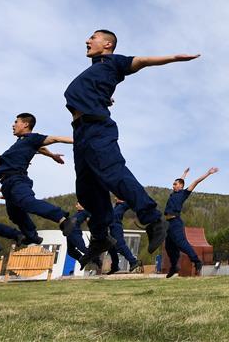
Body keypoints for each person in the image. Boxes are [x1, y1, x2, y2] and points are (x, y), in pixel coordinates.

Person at [63, 29, 199, 266]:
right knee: (87, 190)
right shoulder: (96, 69)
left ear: (107, 44)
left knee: (113, 173)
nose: (87, 40)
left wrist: (173, 58)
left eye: (92, 37)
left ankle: (154, 219)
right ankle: (99, 237)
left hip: (97, 128)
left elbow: (143, 61)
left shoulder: (114, 61)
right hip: (81, 132)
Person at [0, 113, 75, 245]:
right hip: (7, 184)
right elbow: (41, 148)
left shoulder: (32, 137)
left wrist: (80, 140)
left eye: (16, 122)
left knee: (27, 202)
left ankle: (62, 219)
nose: (13, 125)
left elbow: (55, 139)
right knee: (14, 214)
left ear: (25, 124)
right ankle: (32, 236)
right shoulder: (23, 141)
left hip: (17, 179)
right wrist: (51, 155)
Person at [163, 167, 218, 277]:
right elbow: (181, 180)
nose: (173, 186)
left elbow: (196, 181)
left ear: (181, 186)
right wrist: (184, 174)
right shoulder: (173, 193)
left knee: (182, 244)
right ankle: (174, 267)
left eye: (175, 184)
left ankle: (197, 261)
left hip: (176, 222)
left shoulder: (184, 193)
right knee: (169, 246)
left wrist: (208, 173)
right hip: (168, 224)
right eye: (173, 184)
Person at [107, 198, 142, 274]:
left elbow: (133, 202)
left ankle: (133, 261)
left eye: (117, 197)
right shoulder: (115, 206)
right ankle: (115, 266)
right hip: (111, 228)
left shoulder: (124, 204)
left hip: (116, 227)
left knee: (120, 245)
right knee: (111, 247)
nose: (115, 198)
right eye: (115, 197)